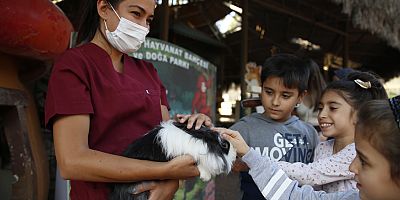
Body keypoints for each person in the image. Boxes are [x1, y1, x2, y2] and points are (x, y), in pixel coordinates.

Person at [44, 0, 211, 199]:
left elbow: (165, 143)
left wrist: (193, 128)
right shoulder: (74, 66)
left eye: (148, 19)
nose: (143, 26)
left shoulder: (148, 72)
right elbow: (72, 161)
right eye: (136, 14)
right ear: (104, 9)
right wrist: (166, 172)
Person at [216, 95, 400, 200]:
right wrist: (250, 155)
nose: (352, 168)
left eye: (365, 161)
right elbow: (296, 196)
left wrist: (251, 158)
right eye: (321, 108)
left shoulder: (309, 133)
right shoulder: (355, 196)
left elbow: (309, 174)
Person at [276, 71, 388, 192]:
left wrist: (258, 161)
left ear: (359, 114)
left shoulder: (357, 151)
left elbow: (310, 175)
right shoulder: (323, 147)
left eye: (333, 108)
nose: (322, 115)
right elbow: (314, 189)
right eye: (320, 108)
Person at [229, 54, 319, 200]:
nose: (275, 102)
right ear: (261, 88)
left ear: (301, 97)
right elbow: (212, 147)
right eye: (269, 92)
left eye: (285, 95)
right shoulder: (245, 128)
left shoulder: (309, 134)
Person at [295, 59, 326, 130]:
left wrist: (325, 135)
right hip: (301, 130)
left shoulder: (325, 93)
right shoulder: (298, 92)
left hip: (322, 131)